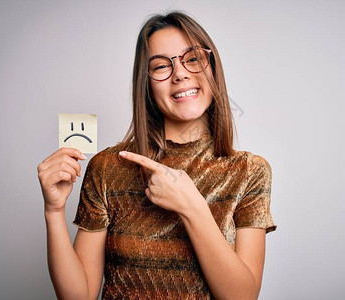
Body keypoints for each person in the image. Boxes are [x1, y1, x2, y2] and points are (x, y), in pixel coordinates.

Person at [37, 11, 277, 299]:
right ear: (147, 84)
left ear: (212, 68)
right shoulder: (107, 167)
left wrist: (192, 207)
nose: (180, 74)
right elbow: (79, 296)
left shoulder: (249, 171)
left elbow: (242, 297)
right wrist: (53, 212)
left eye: (192, 59)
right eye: (162, 66)